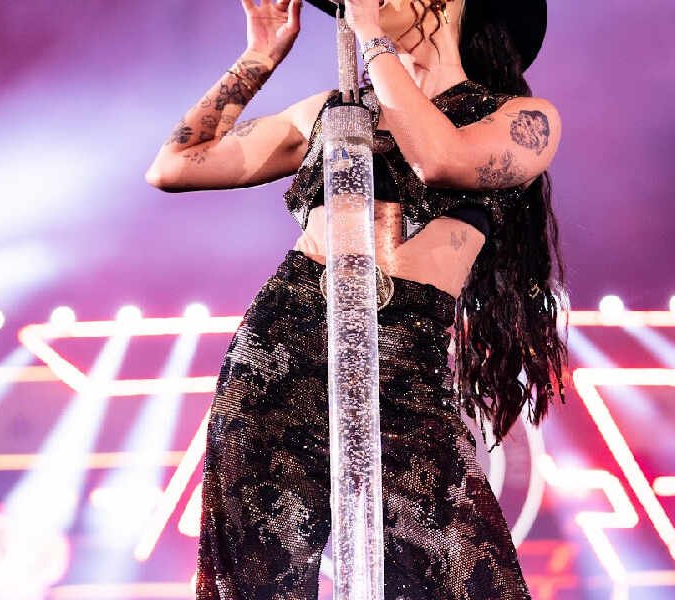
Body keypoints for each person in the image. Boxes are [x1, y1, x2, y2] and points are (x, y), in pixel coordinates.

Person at [144, 0, 570, 597]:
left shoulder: (518, 117)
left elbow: (439, 159)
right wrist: (259, 56)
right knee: (257, 578)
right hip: (281, 355)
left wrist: (373, 36)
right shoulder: (332, 113)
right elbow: (174, 166)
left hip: (402, 364)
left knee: (465, 573)